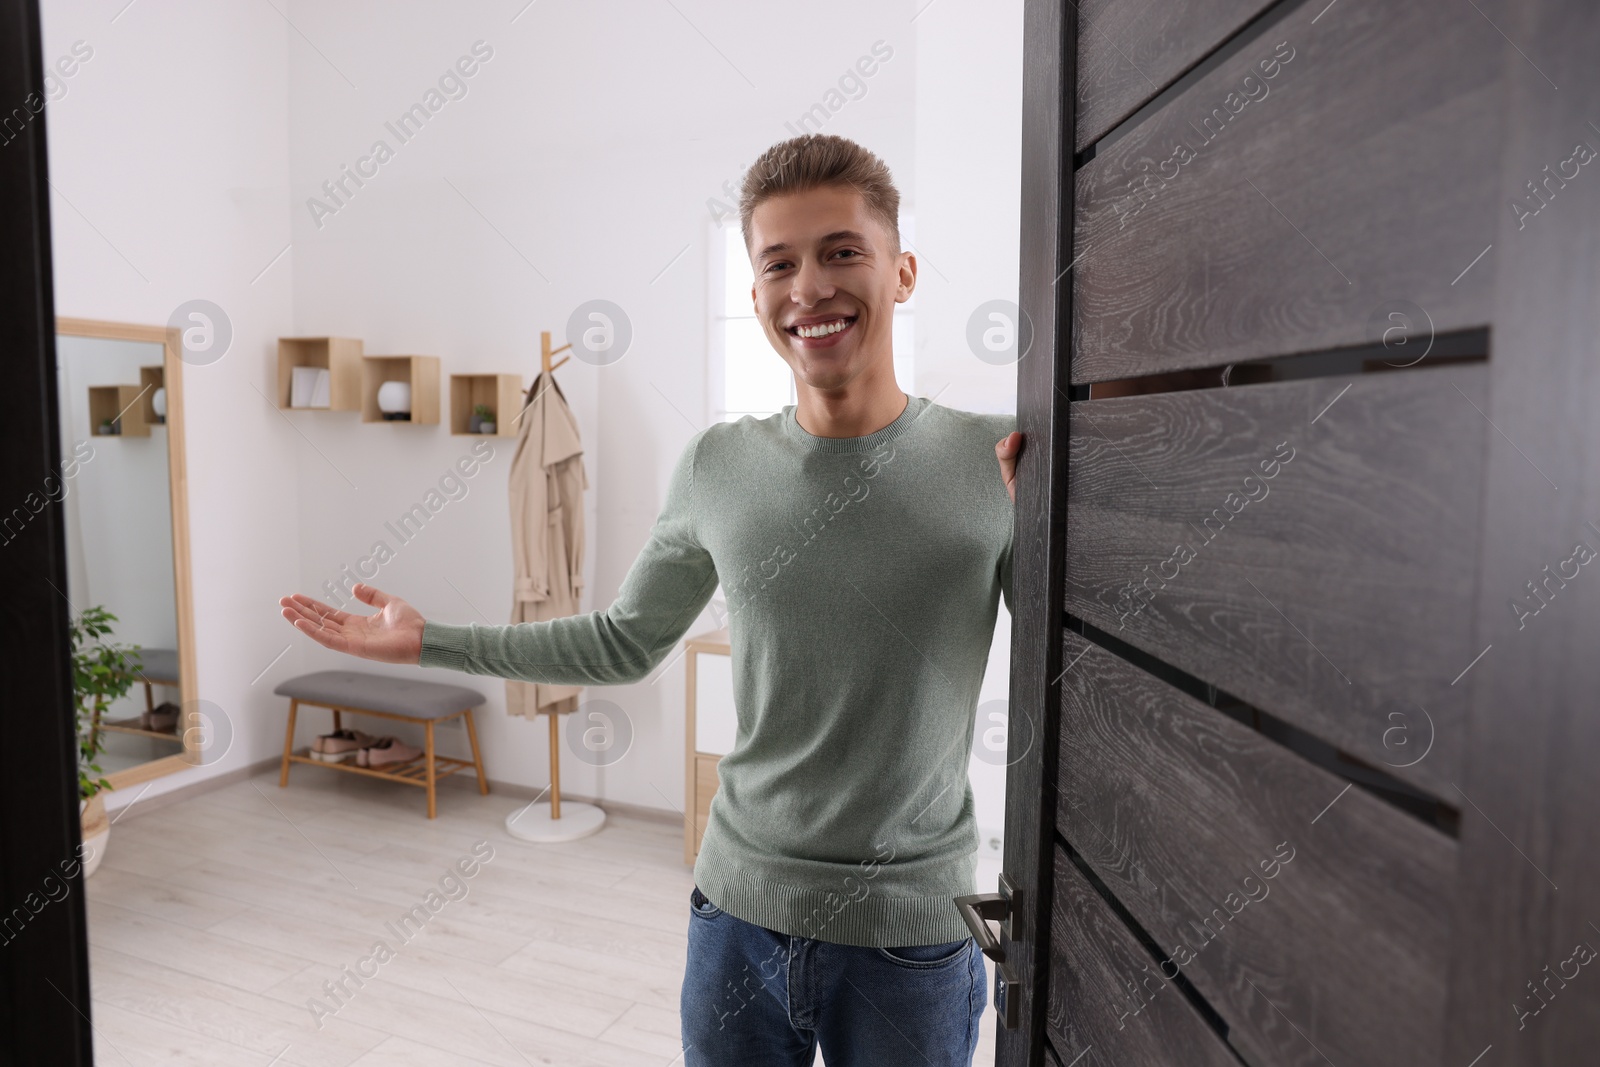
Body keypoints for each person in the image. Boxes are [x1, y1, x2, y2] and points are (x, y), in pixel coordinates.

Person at [280, 132, 1024, 1066]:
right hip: (736, 916)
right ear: (755, 296)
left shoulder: (995, 460)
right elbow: (624, 640)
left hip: (907, 934)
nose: (809, 289)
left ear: (902, 272)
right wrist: (431, 639)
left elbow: (1084, 659)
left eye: (842, 252)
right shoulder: (719, 466)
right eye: (779, 264)